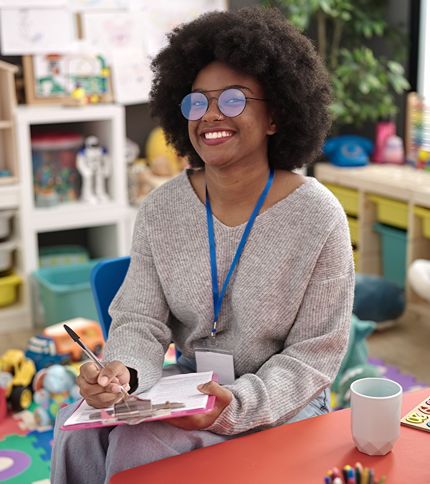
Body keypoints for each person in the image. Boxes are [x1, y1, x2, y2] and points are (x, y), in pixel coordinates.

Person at [51, 7, 354, 483]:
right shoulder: (162, 209)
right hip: (191, 387)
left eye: (233, 100)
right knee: (74, 429)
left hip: (280, 398)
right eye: (196, 102)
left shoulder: (318, 216)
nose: (210, 114)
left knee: (141, 444)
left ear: (275, 114)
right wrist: (122, 374)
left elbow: (315, 354)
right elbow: (140, 319)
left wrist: (236, 405)